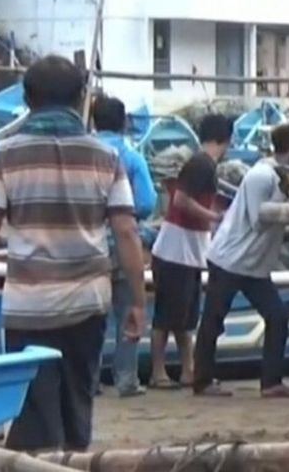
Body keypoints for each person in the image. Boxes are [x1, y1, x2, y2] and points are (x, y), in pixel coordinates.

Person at [0, 56, 146, 452]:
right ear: (80, 97)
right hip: (88, 306)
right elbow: (126, 230)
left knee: (33, 412)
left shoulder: (7, 154)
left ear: (28, 100)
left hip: (29, 308)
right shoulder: (107, 157)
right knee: (77, 405)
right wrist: (135, 300)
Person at [192, 124, 289, 398]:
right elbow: (259, 220)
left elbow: (273, 229)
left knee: (277, 316)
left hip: (253, 265)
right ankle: (202, 380)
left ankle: (271, 382)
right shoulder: (261, 175)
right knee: (214, 319)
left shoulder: (277, 176)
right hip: (230, 259)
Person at [148, 114, 230, 389]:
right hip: (176, 250)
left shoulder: (201, 164)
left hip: (187, 252)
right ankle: (158, 372)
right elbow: (181, 200)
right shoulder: (202, 165)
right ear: (226, 139)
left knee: (184, 317)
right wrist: (213, 217)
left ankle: (188, 369)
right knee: (166, 316)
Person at [91, 94, 157, 398]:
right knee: (129, 309)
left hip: (88, 243)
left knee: (91, 317)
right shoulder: (131, 157)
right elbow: (146, 203)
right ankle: (126, 379)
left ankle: (89, 381)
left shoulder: (83, 154)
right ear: (124, 122)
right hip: (123, 241)